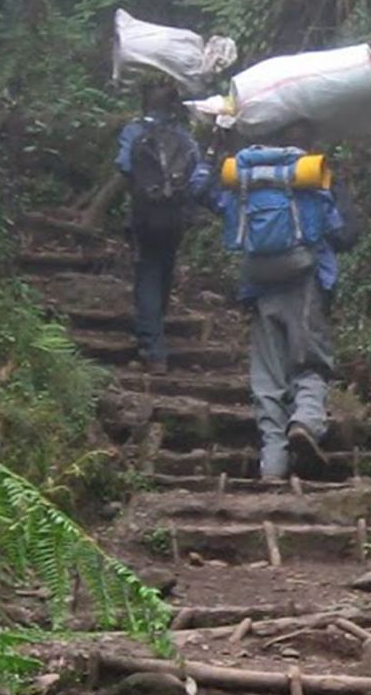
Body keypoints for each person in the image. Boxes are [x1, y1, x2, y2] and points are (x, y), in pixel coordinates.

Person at [200, 120, 357, 481]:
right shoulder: (313, 181)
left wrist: (214, 145)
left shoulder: (248, 181)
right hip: (305, 284)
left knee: (267, 379)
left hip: (259, 286)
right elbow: (346, 235)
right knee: (310, 364)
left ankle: (272, 465)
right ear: (310, 146)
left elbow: (203, 193)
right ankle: (305, 421)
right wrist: (340, 190)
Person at [114, 80, 202, 373]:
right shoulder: (183, 136)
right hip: (175, 216)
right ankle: (153, 330)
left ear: (146, 103)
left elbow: (125, 165)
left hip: (144, 214)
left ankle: (153, 347)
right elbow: (196, 171)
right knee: (164, 268)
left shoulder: (134, 131)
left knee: (147, 271)